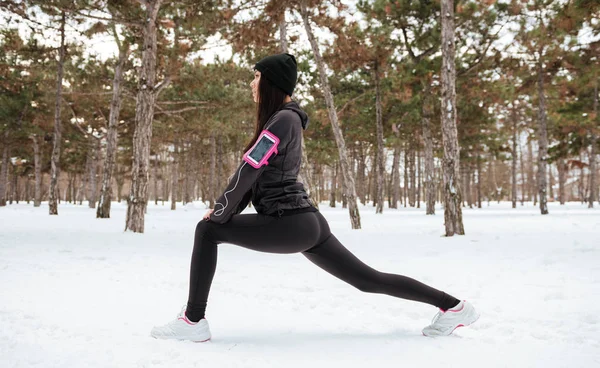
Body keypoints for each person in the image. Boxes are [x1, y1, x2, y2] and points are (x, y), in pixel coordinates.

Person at [150, 53, 480, 342]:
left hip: (291, 222)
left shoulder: (282, 120)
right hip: (305, 222)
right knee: (368, 280)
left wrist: (220, 215)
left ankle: (193, 321)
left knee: (207, 232)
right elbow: (253, 179)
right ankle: (454, 307)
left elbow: (248, 169)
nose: (252, 83)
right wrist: (225, 209)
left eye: (256, 76)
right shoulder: (282, 120)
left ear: (271, 83)